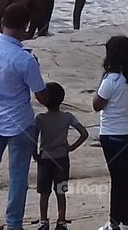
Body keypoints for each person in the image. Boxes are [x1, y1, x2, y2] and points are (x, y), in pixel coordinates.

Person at [0, 3, 49, 230]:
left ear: (2, 22)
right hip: (20, 123)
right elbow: (42, 97)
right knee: (18, 175)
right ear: (25, 28)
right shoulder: (25, 59)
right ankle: (14, 224)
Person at [92, 36, 128, 230]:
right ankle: (125, 221)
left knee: (117, 178)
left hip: (111, 134)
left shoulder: (111, 79)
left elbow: (96, 105)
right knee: (127, 176)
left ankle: (114, 222)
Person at [34, 82, 89, 230]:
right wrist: (71, 147)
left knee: (44, 193)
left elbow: (33, 137)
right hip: (62, 158)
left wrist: (35, 154)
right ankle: (61, 221)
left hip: (45, 158)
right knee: (60, 191)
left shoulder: (40, 118)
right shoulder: (67, 116)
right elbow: (84, 133)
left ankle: (44, 222)